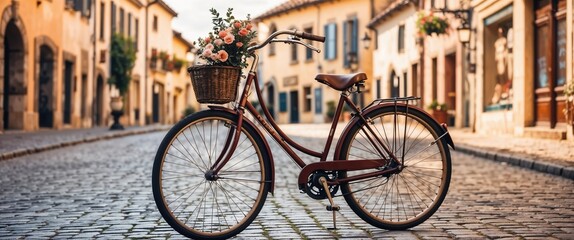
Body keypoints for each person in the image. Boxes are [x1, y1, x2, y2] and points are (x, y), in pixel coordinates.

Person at [492, 27, 507, 104]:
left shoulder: (504, 40)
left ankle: (504, 90)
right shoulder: (497, 42)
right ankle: (501, 90)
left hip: (503, 59)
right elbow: (495, 55)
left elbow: (505, 50)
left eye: (501, 32)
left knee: (504, 74)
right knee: (500, 74)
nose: (500, 33)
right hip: (499, 59)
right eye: (499, 32)